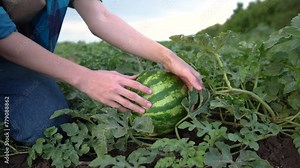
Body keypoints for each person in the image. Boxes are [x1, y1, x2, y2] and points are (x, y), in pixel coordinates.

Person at [0, 0, 203, 145]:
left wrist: (167, 57)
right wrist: (85, 78)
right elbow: (5, 42)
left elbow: (100, 16)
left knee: (47, 124)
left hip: (22, 58)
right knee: (39, 126)